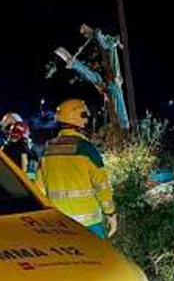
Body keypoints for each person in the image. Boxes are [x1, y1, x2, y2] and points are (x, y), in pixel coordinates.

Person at [36, 99, 118, 238]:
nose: (86, 122)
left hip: (58, 224)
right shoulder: (86, 149)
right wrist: (110, 213)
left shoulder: (47, 150)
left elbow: (39, 189)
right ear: (78, 119)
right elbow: (102, 186)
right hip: (89, 224)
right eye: (85, 117)